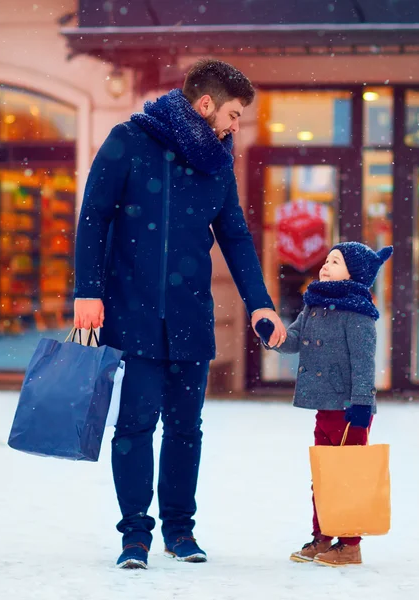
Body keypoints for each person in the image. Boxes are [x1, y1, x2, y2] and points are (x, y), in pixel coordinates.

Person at [73, 59, 287, 569]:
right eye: (234, 115)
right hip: (133, 311)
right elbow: (93, 215)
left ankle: (180, 530)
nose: (237, 126)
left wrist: (260, 303)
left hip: (190, 316)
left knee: (186, 427)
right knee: (135, 424)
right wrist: (88, 291)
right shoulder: (129, 140)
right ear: (206, 104)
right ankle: (134, 535)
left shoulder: (217, 163)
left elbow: (234, 236)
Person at [256, 242, 392, 567]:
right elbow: (293, 341)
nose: (326, 266)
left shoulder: (357, 312)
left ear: (354, 274)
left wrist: (361, 404)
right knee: (323, 474)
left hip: (348, 409)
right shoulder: (313, 306)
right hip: (324, 404)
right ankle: (323, 536)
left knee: (347, 475)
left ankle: (350, 544)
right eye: (327, 260)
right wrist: (273, 337)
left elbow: (363, 363)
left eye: (336, 261)